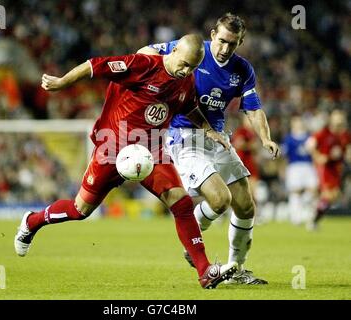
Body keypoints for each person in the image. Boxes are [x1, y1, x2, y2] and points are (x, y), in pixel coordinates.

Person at [14, 34, 238, 289]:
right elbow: (95, 65)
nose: (186, 71)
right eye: (184, 63)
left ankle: (205, 271)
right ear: (174, 51)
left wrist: (208, 129)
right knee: (80, 210)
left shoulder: (185, 82)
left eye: (192, 67)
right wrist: (61, 82)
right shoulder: (143, 65)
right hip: (112, 148)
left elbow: (188, 108)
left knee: (182, 202)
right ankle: (32, 221)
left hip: (151, 149)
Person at [138, 13, 280, 284]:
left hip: (216, 137)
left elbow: (253, 107)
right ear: (213, 34)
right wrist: (137, 69)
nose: (226, 49)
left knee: (246, 206)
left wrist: (265, 138)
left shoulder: (242, 69)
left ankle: (235, 270)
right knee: (220, 200)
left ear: (240, 42)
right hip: (184, 135)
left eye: (233, 44)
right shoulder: (194, 50)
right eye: (223, 41)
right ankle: (193, 235)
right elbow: (149, 52)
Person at [306, 109, 351, 230]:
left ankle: (315, 214)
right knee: (328, 195)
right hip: (324, 167)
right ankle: (313, 216)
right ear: (331, 119)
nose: (339, 121)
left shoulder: (345, 135)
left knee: (334, 196)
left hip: (336, 168)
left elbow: (347, 150)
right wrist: (318, 156)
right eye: (337, 118)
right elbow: (310, 144)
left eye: (341, 118)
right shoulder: (324, 133)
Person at [282, 115, 318, 226]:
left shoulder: (309, 137)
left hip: (308, 165)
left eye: (299, 121)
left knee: (313, 190)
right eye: (295, 122)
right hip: (294, 167)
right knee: (295, 191)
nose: (298, 124)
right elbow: (284, 156)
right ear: (292, 124)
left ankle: (309, 215)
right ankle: (295, 217)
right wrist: (283, 169)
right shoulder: (288, 138)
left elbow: (315, 152)